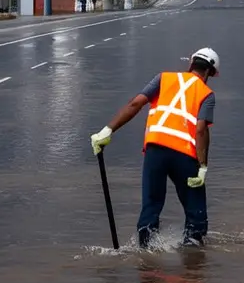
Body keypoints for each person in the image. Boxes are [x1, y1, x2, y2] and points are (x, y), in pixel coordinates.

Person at [90, 47, 219, 249]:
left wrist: (107, 130)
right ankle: (193, 257)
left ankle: (146, 257)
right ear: (210, 73)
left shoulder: (163, 79)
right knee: (195, 210)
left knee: (151, 205)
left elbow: (135, 104)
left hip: (155, 150)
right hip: (185, 156)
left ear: (190, 64)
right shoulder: (207, 94)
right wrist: (203, 166)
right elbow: (201, 130)